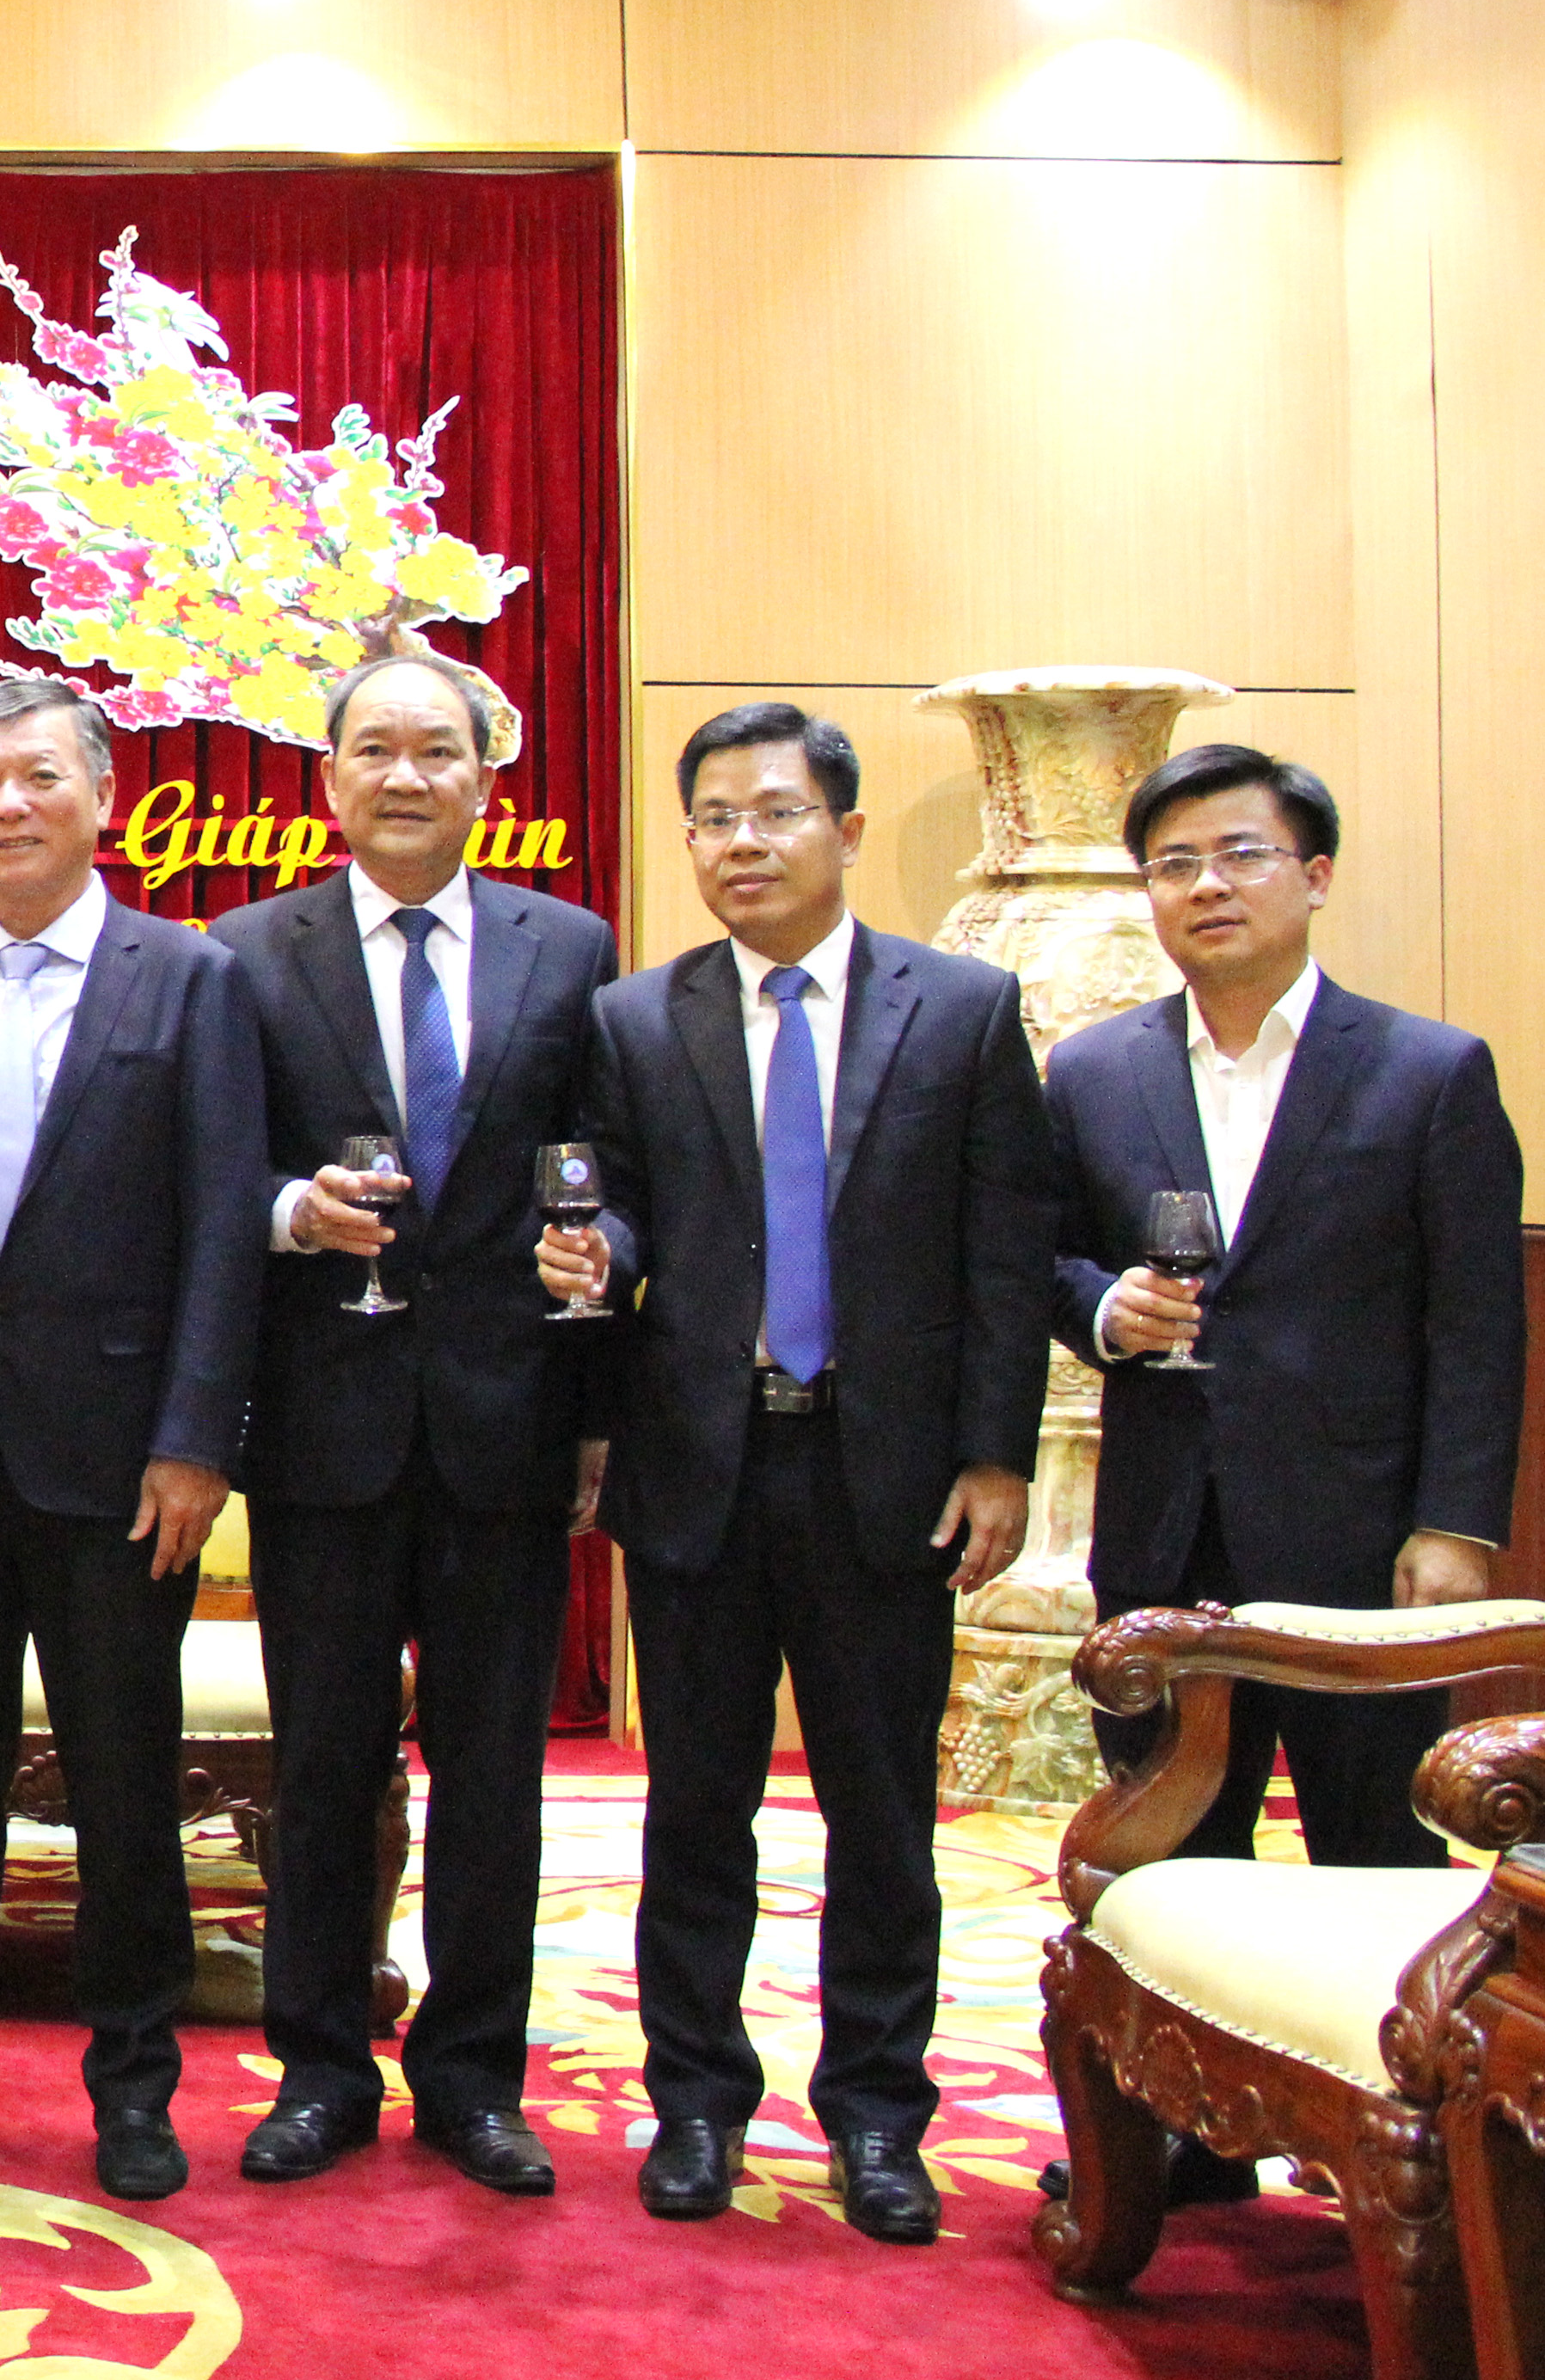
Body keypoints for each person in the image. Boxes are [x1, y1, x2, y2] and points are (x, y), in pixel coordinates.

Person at [544, 702, 1055, 2244]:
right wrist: (594, 1254)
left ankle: (880, 2114)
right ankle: (695, 2100)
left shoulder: (961, 1010)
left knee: (881, 1811)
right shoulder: (639, 1018)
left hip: (882, 1467)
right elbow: (623, 1215)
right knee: (692, 1807)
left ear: (841, 828)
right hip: (698, 1461)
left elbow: (1002, 1250)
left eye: (771, 812)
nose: (738, 842)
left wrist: (992, 1454)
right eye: (710, 816)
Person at [0, 673, 265, 2205]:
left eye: (34, 778)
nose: (5, 806)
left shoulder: (187, 977)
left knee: (123, 1780)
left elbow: (226, 1222)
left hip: (119, 1458)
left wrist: (197, 1435)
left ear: (98, 796)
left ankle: (132, 2082)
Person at [207, 655, 617, 2199]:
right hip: (322, 1422)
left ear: (483, 776)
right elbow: (212, 1172)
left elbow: (606, 1175)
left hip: (508, 1422)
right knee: (317, 1762)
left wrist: (592, 1405)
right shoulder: (245, 950)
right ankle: (316, 2064)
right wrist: (284, 1210)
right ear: (326, 779)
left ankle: (471, 2071)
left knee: (496, 1764)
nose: (401, 775)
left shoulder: (568, 950)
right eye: (370, 749)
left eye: (432, 751)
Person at [1053, 745, 1522, 1863]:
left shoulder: (1428, 1070)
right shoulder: (1093, 1070)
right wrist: (1106, 1308)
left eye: (1239, 854)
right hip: (1163, 1539)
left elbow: (1477, 1321)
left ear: (1314, 874)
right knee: (1162, 1868)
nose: (1205, 885)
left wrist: (1454, 1524)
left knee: (1374, 1862)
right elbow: (1041, 1257)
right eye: (1173, 864)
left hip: (1356, 1547)